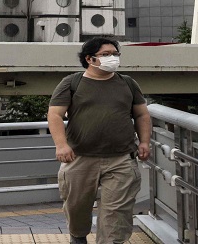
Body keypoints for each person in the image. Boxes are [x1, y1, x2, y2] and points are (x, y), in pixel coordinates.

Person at [48, 37, 152, 244]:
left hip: (121, 158)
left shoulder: (127, 83)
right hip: (80, 157)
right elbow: (55, 115)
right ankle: (78, 237)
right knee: (76, 206)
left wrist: (144, 142)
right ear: (90, 58)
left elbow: (142, 115)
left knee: (116, 213)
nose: (112, 58)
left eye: (115, 54)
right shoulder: (72, 83)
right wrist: (61, 145)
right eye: (106, 55)